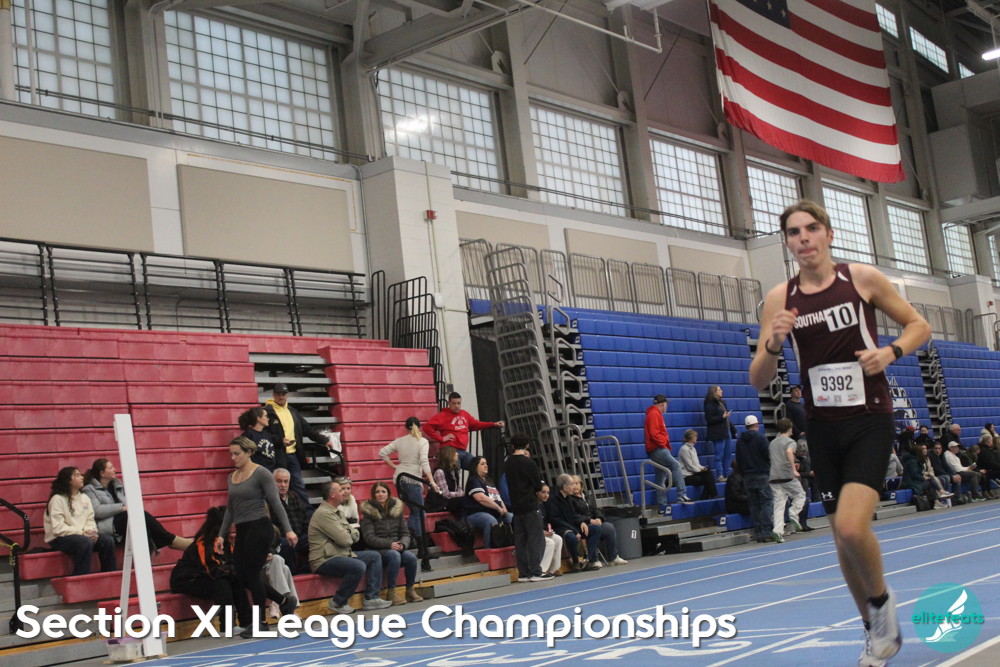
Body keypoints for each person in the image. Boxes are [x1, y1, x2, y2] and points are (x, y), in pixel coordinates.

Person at [749, 199, 931, 664]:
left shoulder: (861, 279)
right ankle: (874, 632)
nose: (803, 238)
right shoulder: (780, 298)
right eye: (794, 232)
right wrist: (774, 342)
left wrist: (890, 352)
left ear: (828, 234)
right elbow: (758, 378)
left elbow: (919, 326)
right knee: (841, 541)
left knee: (851, 527)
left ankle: (882, 604)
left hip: (869, 418)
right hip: (823, 427)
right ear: (787, 243)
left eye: (811, 228)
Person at [215, 436, 297, 637]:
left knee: (252, 574)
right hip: (242, 530)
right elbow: (230, 509)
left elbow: (276, 503)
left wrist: (288, 529)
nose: (233, 458)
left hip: (260, 527)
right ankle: (284, 601)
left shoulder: (261, 473)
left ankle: (260, 622)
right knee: (241, 576)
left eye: (237, 454)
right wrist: (221, 535)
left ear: (249, 452)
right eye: (231, 454)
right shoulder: (232, 477)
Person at [309, 480, 392, 614]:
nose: (344, 493)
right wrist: (348, 534)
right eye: (340, 490)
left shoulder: (338, 512)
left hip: (341, 554)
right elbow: (345, 540)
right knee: (358, 566)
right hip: (324, 559)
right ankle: (338, 602)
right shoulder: (324, 514)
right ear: (332, 494)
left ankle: (371, 598)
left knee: (374, 556)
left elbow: (355, 535)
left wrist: (347, 534)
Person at [170, 506, 251, 634]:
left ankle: (247, 622)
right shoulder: (204, 542)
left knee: (237, 580)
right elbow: (212, 570)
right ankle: (227, 626)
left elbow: (232, 563)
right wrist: (232, 572)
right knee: (222, 583)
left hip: (204, 576)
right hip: (186, 579)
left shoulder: (226, 541)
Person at [82, 458, 192, 554]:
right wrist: (121, 507)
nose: (115, 469)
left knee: (144, 527)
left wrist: (127, 508)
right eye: (110, 468)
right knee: (138, 515)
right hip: (107, 525)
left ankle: (147, 563)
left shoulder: (117, 486)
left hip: (124, 521)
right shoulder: (89, 489)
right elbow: (97, 510)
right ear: (102, 473)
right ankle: (171, 540)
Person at [379, 416, 437, 568]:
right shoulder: (422, 441)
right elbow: (424, 461)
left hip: (400, 479)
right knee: (419, 513)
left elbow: (382, 452)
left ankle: (413, 542)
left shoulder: (400, 441)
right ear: (419, 426)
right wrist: (431, 481)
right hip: (412, 479)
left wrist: (395, 467)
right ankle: (419, 547)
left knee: (414, 512)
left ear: (406, 428)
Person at [265, 382, 334, 506]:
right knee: (279, 488)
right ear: (274, 395)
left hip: (293, 455)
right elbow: (263, 434)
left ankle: (305, 514)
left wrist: (324, 440)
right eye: (278, 394)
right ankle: (281, 513)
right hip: (277, 456)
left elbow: (308, 430)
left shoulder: (292, 411)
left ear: (287, 395)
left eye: (283, 394)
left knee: (298, 486)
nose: (281, 396)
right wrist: (279, 440)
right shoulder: (267, 412)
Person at [44, 467, 116, 576]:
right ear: (68, 480)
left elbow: (90, 519)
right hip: (60, 538)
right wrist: (82, 533)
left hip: (83, 534)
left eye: (80, 475)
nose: (82, 477)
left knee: (107, 541)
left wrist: (91, 531)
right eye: (77, 475)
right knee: (84, 542)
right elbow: (58, 528)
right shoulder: (57, 499)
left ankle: (109, 576)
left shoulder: (84, 497)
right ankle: (81, 577)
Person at [359, 482, 424, 604]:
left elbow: (405, 533)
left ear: (388, 494)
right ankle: (391, 592)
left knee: (411, 557)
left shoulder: (397, 510)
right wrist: (390, 544)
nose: (380, 494)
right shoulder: (368, 513)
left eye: (383, 491)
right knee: (393, 555)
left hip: (396, 547)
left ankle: (410, 590)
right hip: (377, 549)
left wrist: (402, 544)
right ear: (373, 495)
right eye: (377, 492)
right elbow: (369, 538)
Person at [503, 434, 551, 582]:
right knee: (535, 539)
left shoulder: (508, 463)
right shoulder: (529, 463)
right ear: (527, 445)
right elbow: (537, 486)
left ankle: (523, 573)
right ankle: (536, 571)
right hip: (530, 505)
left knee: (521, 541)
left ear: (512, 446)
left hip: (516, 507)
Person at [423, 392, 504, 470]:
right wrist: (441, 438)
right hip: (450, 450)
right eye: (454, 403)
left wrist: (493, 424)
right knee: (455, 469)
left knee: (477, 467)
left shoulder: (464, 414)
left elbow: (476, 424)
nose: (457, 406)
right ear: (449, 403)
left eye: (459, 403)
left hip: (462, 450)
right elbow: (427, 427)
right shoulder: (442, 415)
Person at [643, 394, 692, 512]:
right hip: (658, 449)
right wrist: (663, 442)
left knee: (660, 478)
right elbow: (654, 433)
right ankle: (681, 494)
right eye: (666, 404)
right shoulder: (654, 414)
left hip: (655, 449)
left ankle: (662, 506)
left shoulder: (653, 413)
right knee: (675, 465)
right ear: (662, 404)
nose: (666, 406)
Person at [569, 475, 627, 567]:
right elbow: (574, 515)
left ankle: (613, 558)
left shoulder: (586, 496)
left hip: (594, 522)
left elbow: (595, 510)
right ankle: (593, 560)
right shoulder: (569, 500)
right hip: (581, 525)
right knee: (595, 529)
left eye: (577, 483)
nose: (575, 486)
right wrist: (589, 520)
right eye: (572, 484)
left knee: (609, 527)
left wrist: (599, 518)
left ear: (581, 485)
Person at [734, 415, 773, 543]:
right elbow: (768, 455)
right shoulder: (761, 438)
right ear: (757, 424)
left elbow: (738, 460)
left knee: (754, 505)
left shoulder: (740, 441)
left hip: (748, 476)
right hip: (762, 473)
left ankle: (759, 531)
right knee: (766, 503)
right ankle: (767, 531)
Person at [461, 456, 512, 549]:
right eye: (482, 464)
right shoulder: (473, 480)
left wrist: (504, 508)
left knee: (511, 517)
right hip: (474, 513)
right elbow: (481, 498)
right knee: (490, 521)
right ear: (475, 467)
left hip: (493, 512)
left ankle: (511, 547)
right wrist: (498, 508)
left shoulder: (489, 480)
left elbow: (498, 497)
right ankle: (489, 550)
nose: (486, 466)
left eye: (486, 463)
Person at [768, 418, 805, 543]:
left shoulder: (772, 443)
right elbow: (789, 452)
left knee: (779, 504)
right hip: (786, 475)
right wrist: (793, 468)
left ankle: (777, 530)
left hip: (774, 476)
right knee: (800, 495)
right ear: (790, 428)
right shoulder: (790, 442)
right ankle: (793, 513)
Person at [272, 467, 311, 573]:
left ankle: (306, 570)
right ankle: (292, 575)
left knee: (316, 539)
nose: (283, 485)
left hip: (299, 538)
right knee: (285, 544)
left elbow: (305, 521)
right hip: (281, 540)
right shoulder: (268, 500)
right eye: (279, 481)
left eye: (286, 481)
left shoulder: (295, 497)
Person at [704, 385, 735, 481]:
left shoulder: (722, 402)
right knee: (719, 454)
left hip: (726, 430)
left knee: (728, 454)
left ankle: (727, 474)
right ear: (714, 392)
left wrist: (733, 429)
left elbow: (727, 418)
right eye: (719, 390)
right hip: (717, 432)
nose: (721, 391)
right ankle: (720, 474)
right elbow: (709, 419)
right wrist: (722, 417)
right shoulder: (709, 403)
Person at [239, 406, 282, 472]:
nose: (268, 419)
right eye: (265, 416)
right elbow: (244, 454)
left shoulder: (267, 433)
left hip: (270, 470)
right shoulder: (248, 434)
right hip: (257, 471)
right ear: (259, 418)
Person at [677, 429, 717, 499]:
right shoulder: (684, 449)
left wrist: (702, 468)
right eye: (695, 436)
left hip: (692, 473)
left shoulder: (693, 449)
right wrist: (700, 471)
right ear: (691, 437)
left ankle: (708, 496)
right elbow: (689, 466)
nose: (696, 438)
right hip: (686, 476)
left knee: (708, 474)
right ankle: (712, 495)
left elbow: (697, 464)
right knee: (707, 477)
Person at [899, 443, 940, 510]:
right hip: (910, 483)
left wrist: (923, 476)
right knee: (930, 483)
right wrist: (923, 478)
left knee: (930, 480)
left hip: (913, 481)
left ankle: (936, 501)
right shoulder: (913, 461)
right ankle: (938, 498)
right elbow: (914, 474)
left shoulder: (914, 460)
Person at [427, 445, 465, 515]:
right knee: (464, 502)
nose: (457, 454)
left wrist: (462, 494)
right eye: (455, 452)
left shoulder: (454, 471)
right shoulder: (440, 472)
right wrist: (462, 494)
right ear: (449, 455)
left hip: (451, 501)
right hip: (440, 503)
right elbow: (445, 494)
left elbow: (459, 488)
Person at [537, 483, 564, 577]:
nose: (546, 495)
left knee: (558, 539)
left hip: (541, 533)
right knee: (550, 542)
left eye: (548, 493)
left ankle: (554, 568)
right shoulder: (532, 506)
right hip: (533, 535)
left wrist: (548, 531)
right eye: (543, 492)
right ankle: (541, 570)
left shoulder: (543, 505)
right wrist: (541, 532)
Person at [794, 439, 818, 532]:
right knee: (804, 500)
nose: (804, 453)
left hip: (805, 481)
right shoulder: (794, 459)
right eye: (802, 451)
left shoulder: (805, 458)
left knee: (806, 500)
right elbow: (796, 473)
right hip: (797, 483)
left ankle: (804, 523)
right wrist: (808, 474)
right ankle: (801, 523)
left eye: (805, 452)